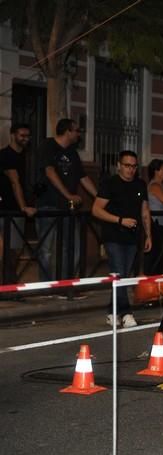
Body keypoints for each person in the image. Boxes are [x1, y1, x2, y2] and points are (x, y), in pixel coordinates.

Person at [92, 151, 152, 328]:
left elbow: (145, 211)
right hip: (113, 236)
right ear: (118, 166)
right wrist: (119, 220)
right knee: (119, 272)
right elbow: (96, 210)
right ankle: (126, 313)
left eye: (134, 166)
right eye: (127, 165)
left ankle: (112, 312)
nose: (130, 170)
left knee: (123, 276)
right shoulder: (109, 184)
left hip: (132, 238)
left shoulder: (140, 184)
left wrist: (149, 235)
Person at [35, 118, 98, 281]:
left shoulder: (72, 152)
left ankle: (65, 284)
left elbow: (83, 177)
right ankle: (46, 286)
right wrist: (68, 194)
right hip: (48, 205)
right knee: (46, 250)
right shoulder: (47, 146)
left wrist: (98, 198)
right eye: (76, 130)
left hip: (68, 209)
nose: (79, 134)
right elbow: (50, 172)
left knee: (73, 248)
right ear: (68, 131)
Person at [0, 123, 35, 283]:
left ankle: (9, 284)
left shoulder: (25, 156)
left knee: (14, 249)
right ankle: (9, 284)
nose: (25, 139)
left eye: (28, 136)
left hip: (15, 210)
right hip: (7, 209)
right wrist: (23, 207)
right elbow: (15, 182)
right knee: (9, 249)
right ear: (13, 135)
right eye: (22, 135)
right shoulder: (6, 155)